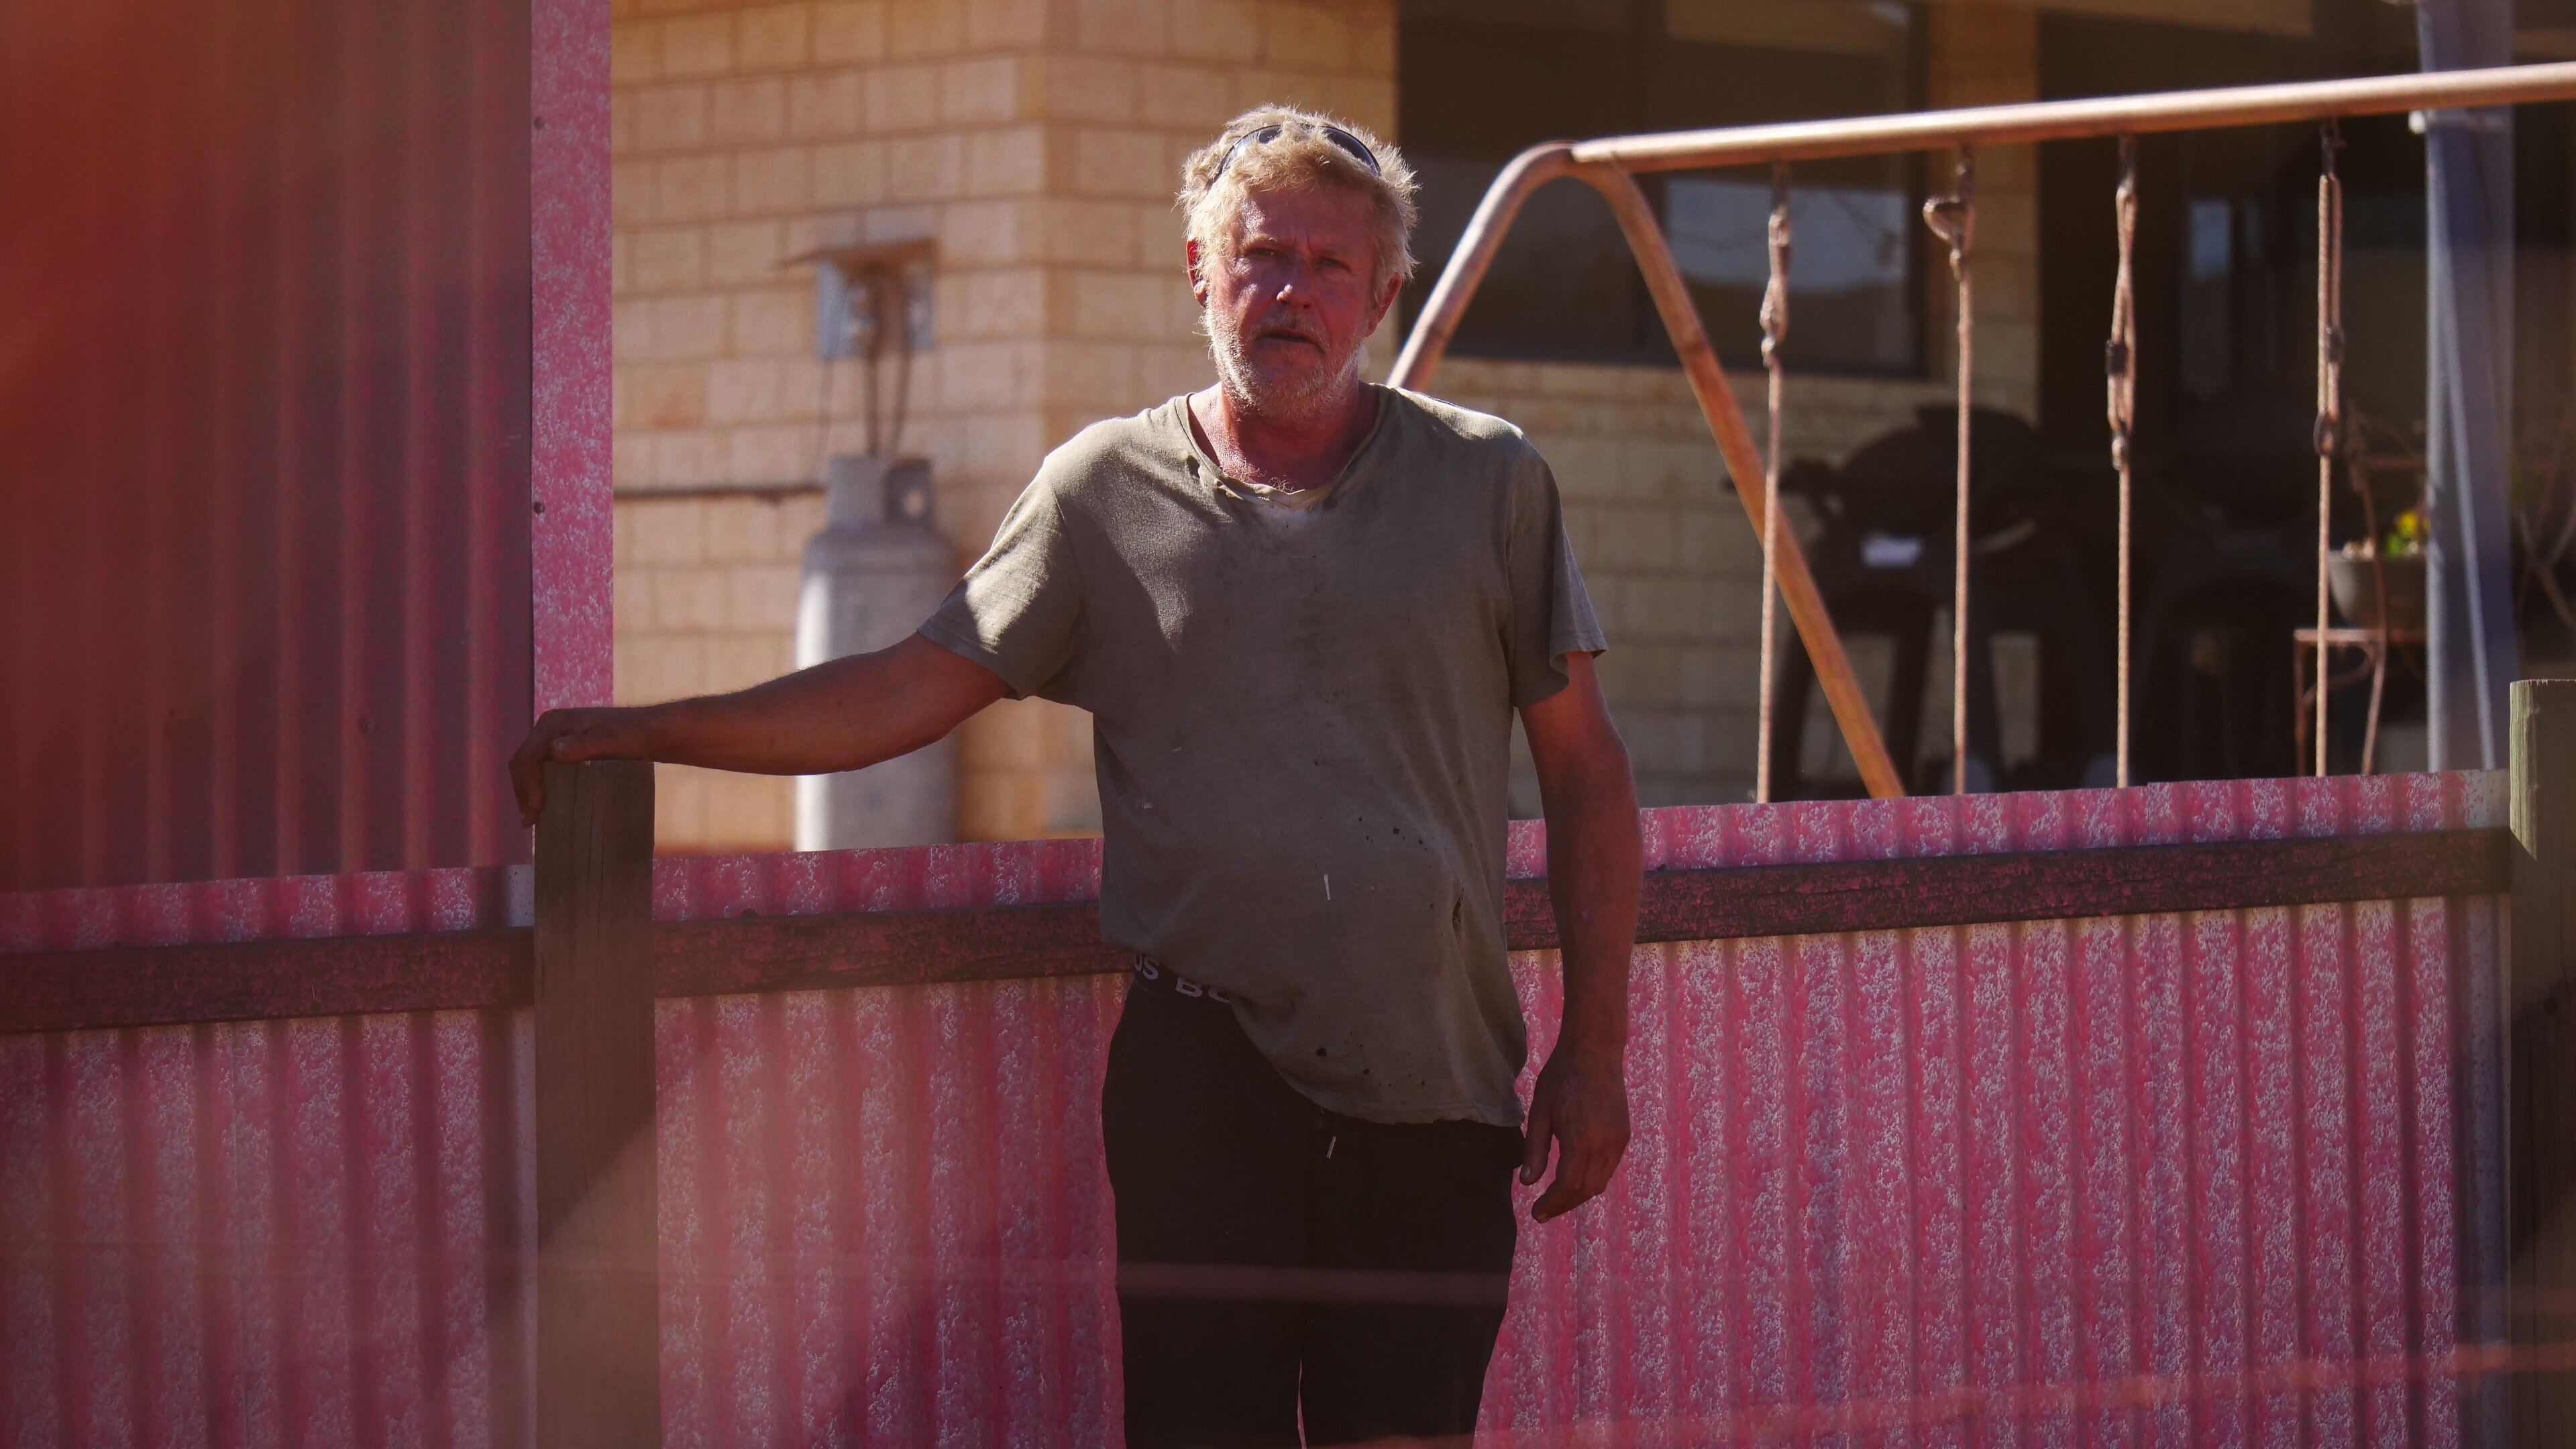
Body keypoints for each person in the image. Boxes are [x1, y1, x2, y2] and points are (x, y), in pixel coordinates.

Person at [508, 105, 1641, 1448]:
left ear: (1387, 292)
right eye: (1264, 256)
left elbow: (1585, 774)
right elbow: (903, 688)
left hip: (1437, 1077)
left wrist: (1596, 1049)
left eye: (1332, 267)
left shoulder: (1486, 482)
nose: (1293, 293)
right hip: (1203, 1072)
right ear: (1199, 272)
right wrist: (645, 729)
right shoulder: (1103, 492)